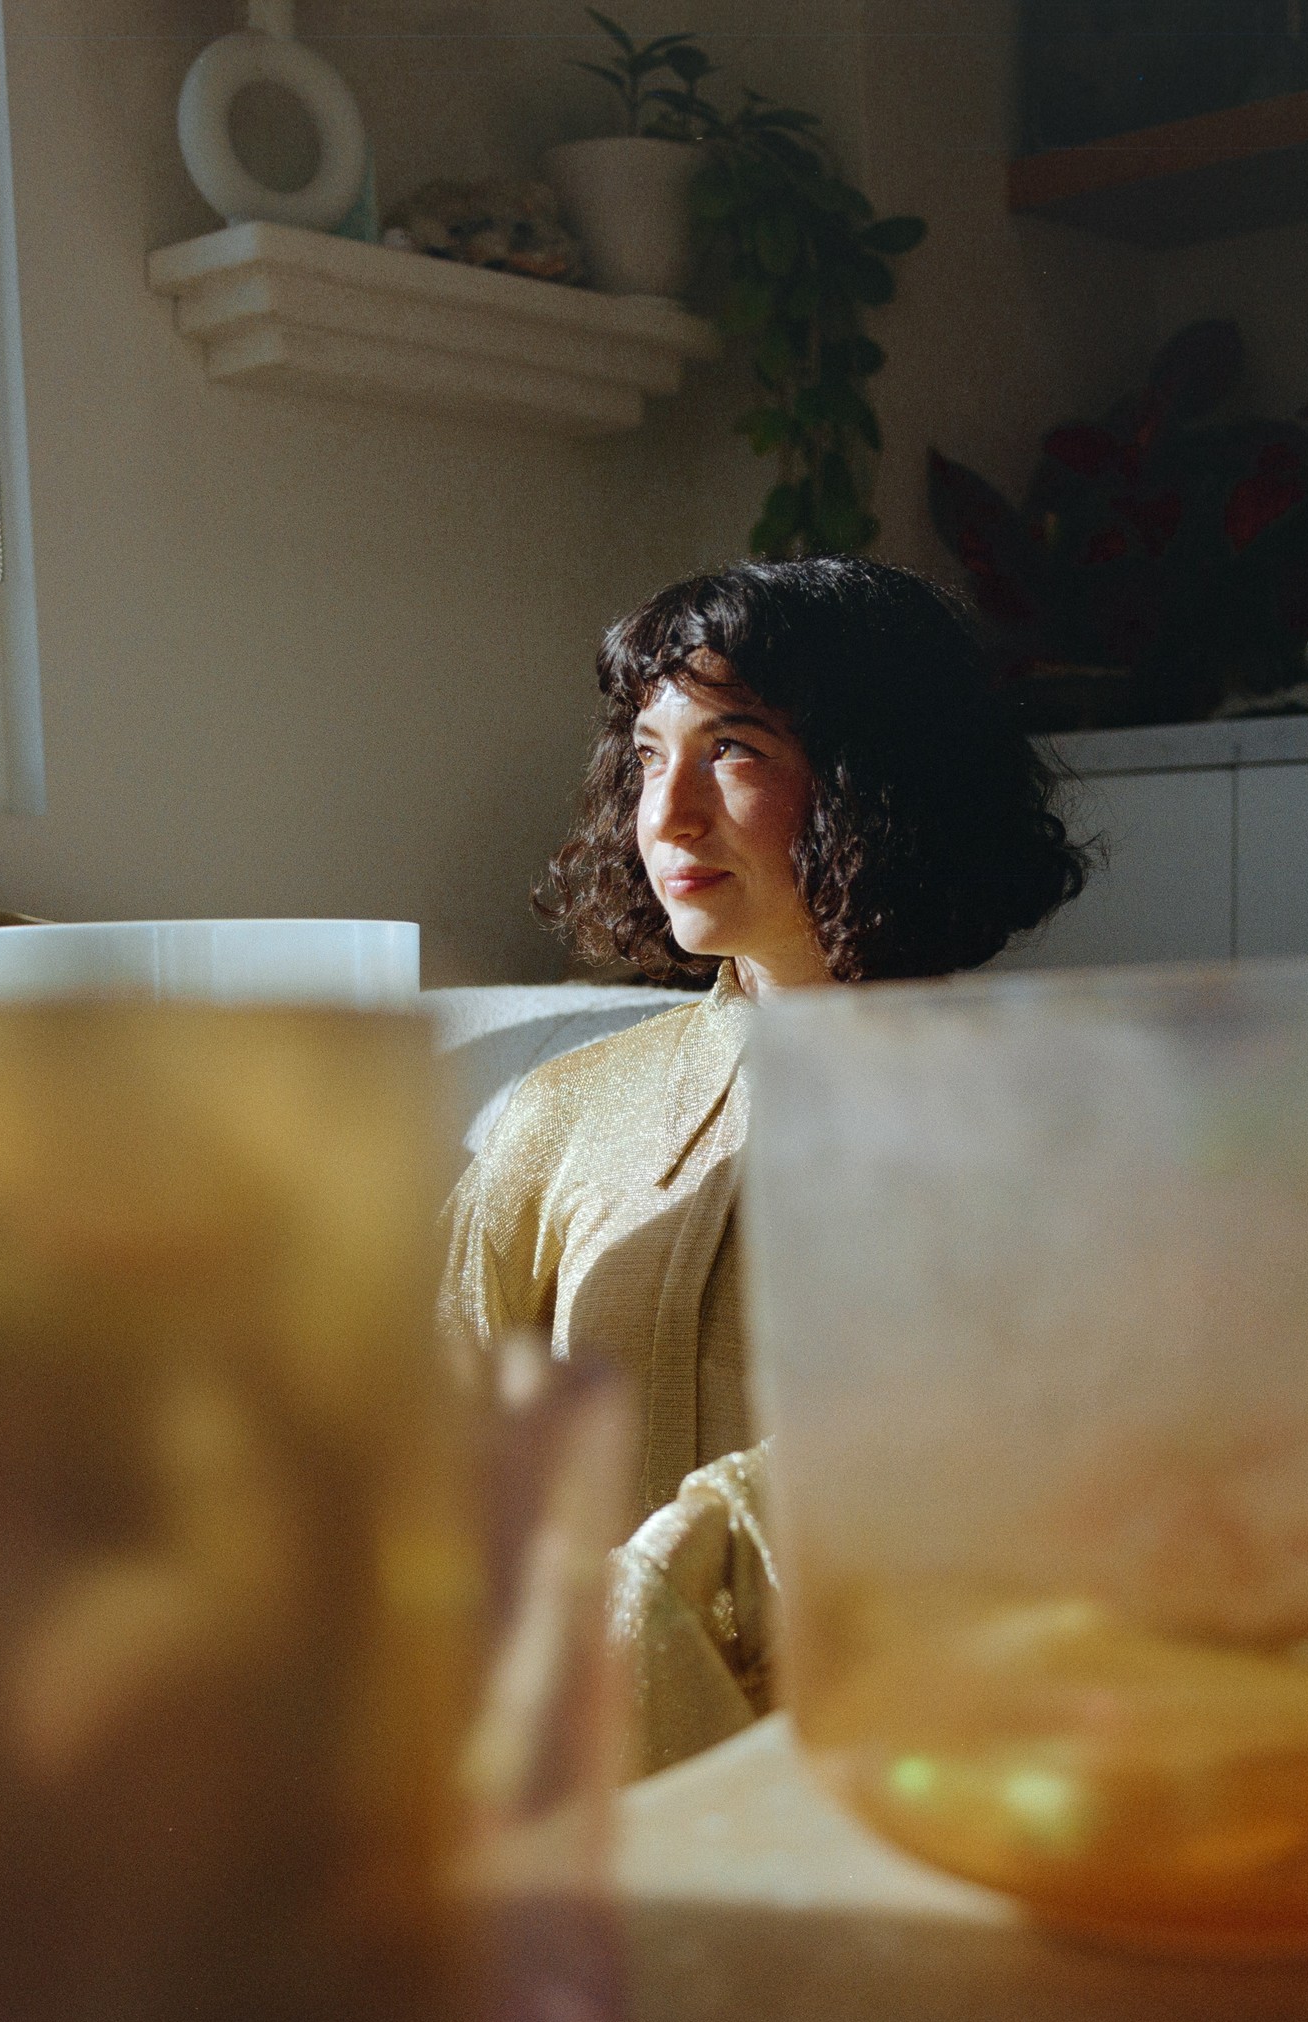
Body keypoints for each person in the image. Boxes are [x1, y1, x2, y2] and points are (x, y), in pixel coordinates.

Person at [440, 554, 1091, 1767]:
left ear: (873, 781)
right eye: (645, 756)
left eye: (731, 748)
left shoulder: (1058, 1124)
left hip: (933, 1784)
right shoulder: (557, 1120)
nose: (666, 813)